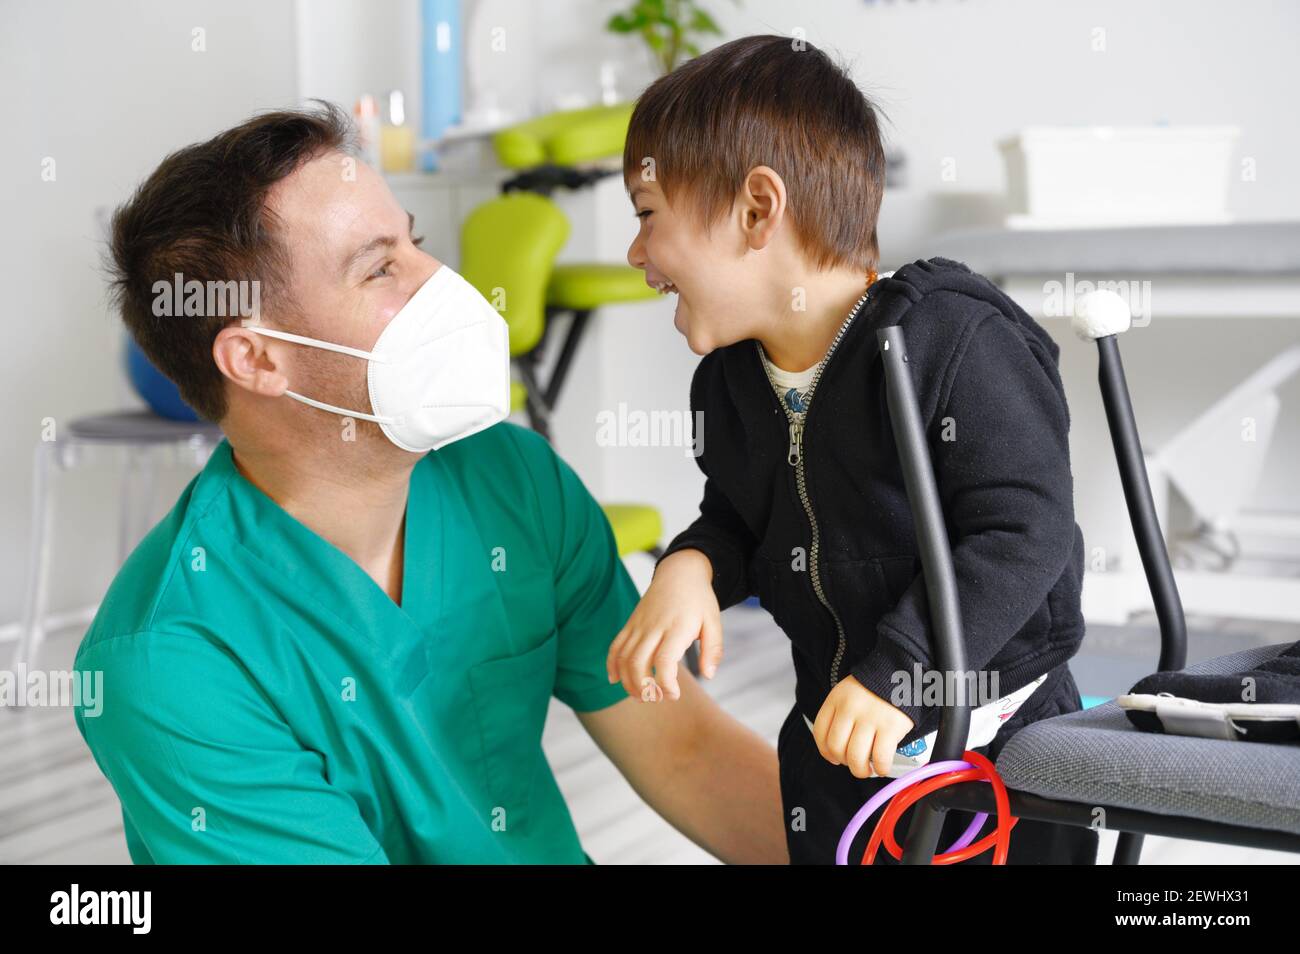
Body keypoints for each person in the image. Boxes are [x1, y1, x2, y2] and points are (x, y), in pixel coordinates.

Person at [73, 103, 786, 864]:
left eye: (416, 244)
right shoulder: (169, 662)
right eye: (380, 267)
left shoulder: (512, 480)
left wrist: (862, 848)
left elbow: (686, 756)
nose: (443, 282)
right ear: (256, 360)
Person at [608, 34, 1098, 865]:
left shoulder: (953, 339)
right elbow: (738, 519)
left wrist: (899, 673)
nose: (636, 253)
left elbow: (1026, 533)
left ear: (759, 210)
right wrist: (693, 564)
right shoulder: (730, 386)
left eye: (647, 215)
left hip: (1002, 748)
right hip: (836, 744)